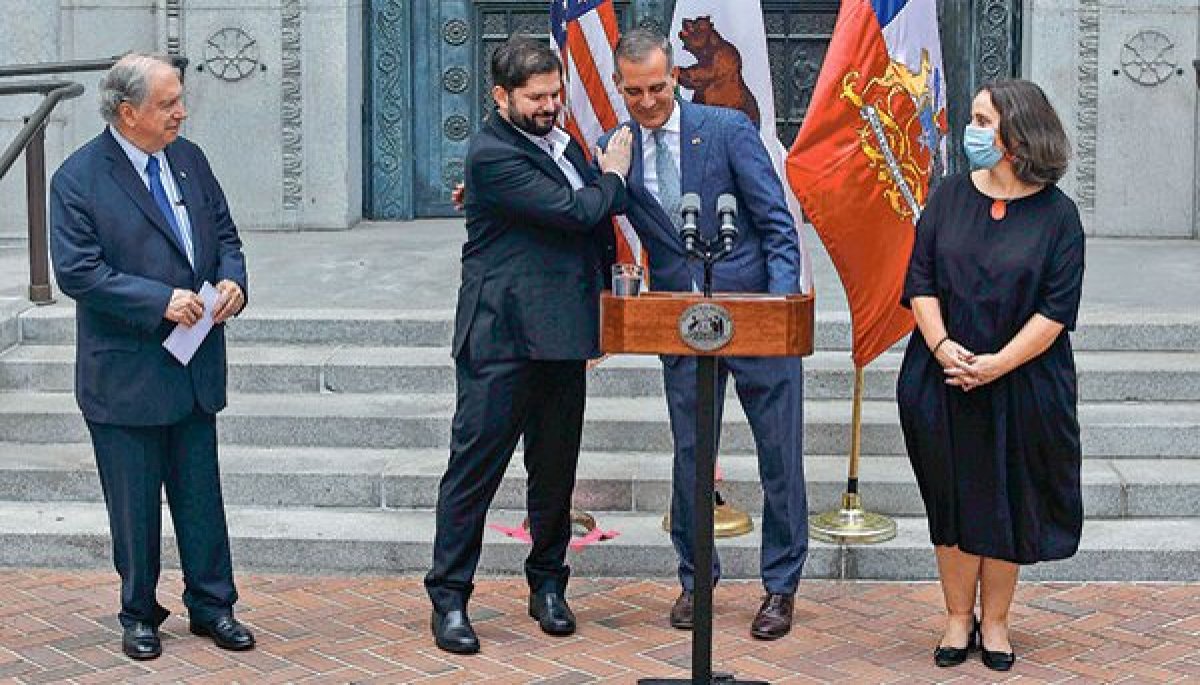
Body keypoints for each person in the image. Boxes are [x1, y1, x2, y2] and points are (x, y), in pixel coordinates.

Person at [424, 35, 633, 655]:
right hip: (502, 338)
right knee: (473, 473)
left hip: (564, 335)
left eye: (555, 92)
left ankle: (548, 587)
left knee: (555, 476)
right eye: (536, 96)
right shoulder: (491, 153)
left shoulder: (566, 142)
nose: (550, 105)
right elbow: (578, 211)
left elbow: (587, 233)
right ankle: (451, 598)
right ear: (501, 96)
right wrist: (614, 174)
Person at [599, 29, 808, 640]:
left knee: (779, 457)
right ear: (617, 84)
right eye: (634, 91)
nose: (647, 102)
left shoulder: (725, 129)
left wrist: (778, 310)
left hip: (755, 316)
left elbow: (776, 224)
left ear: (674, 78)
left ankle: (780, 586)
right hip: (678, 322)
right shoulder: (615, 150)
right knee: (692, 459)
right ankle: (696, 580)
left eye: (658, 88)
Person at [49, 53, 254, 660]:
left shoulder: (189, 160)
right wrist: (160, 300)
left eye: (180, 100)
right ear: (127, 111)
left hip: (195, 366)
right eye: (168, 104)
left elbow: (226, 236)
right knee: (135, 509)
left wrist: (233, 283)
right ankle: (139, 613)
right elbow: (79, 273)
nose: (181, 113)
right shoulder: (78, 178)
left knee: (201, 499)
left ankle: (213, 605)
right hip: (126, 373)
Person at [897, 78, 1084, 672]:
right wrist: (944, 345)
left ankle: (997, 623)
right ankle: (957, 619)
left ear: (1015, 134)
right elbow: (920, 280)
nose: (971, 131)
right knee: (951, 501)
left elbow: (1057, 310)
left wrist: (999, 364)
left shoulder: (1059, 217)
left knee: (1007, 500)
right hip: (942, 376)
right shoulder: (947, 197)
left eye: (982, 121)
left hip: (1023, 382)